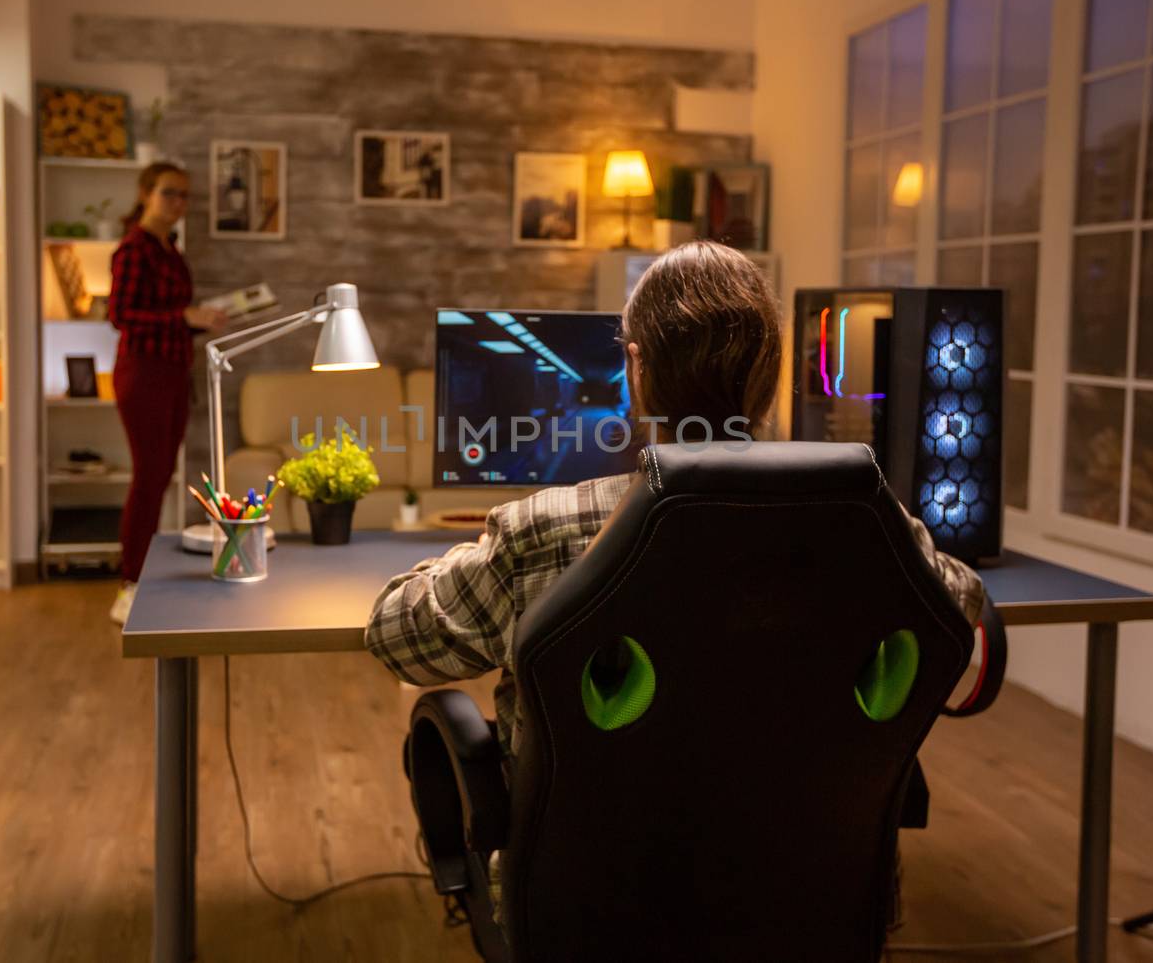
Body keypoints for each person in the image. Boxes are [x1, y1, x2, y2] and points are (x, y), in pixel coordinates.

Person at [364, 240, 983, 760]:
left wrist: (455, 561)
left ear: (637, 367)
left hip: (586, 890)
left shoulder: (546, 530)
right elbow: (961, 599)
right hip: (805, 880)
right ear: (772, 370)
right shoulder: (867, 523)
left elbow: (398, 638)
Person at [106, 162, 228, 624]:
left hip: (174, 372)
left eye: (184, 196)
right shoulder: (134, 250)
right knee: (148, 479)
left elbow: (171, 316)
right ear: (145, 194)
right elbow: (121, 315)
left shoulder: (169, 249)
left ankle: (140, 578)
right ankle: (131, 581)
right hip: (144, 376)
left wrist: (200, 322)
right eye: (169, 193)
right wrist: (185, 318)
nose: (178, 203)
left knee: (158, 479)